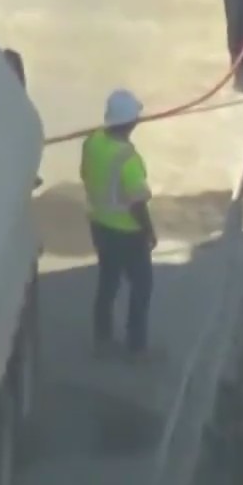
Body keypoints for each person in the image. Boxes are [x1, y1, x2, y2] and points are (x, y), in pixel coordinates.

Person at [81, 88, 157, 359]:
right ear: (129, 122)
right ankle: (136, 347)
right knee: (141, 287)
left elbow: (85, 173)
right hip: (128, 234)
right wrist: (149, 231)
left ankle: (102, 337)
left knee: (108, 282)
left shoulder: (92, 142)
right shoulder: (128, 160)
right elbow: (137, 203)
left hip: (99, 226)